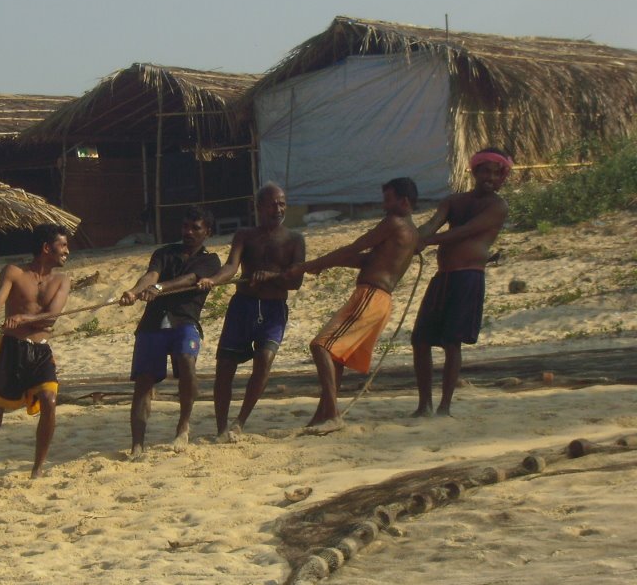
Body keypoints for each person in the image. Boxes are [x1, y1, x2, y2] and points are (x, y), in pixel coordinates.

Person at [286, 178, 420, 432]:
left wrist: (305, 266)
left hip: (371, 296)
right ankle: (322, 415)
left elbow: (355, 247)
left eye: (388, 199)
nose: (384, 205)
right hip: (378, 299)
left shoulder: (394, 223)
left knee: (321, 346)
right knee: (334, 355)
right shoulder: (412, 232)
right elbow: (367, 260)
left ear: (404, 201)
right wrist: (324, 264)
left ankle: (333, 415)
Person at [196, 183, 305, 441]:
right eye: (272, 204)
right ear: (258, 207)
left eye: (282, 203)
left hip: (273, 309)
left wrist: (271, 277)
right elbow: (232, 267)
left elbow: (295, 281)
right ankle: (221, 427)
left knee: (264, 360)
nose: (278, 209)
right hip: (242, 307)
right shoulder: (245, 235)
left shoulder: (294, 239)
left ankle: (240, 422)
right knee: (225, 366)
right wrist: (214, 279)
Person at [0, 224, 71, 485]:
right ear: (47, 248)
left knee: (49, 400)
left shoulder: (62, 280)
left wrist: (25, 318)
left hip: (41, 350)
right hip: (12, 350)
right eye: (63, 245)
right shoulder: (13, 272)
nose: (67, 251)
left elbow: (51, 318)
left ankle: (37, 470)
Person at [411, 148, 512, 417]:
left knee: (451, 342)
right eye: (485, 171)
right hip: (443, 277)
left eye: (496, 172)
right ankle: (424, 405)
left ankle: (444, 406)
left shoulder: (497, 206)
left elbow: (464, 232)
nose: (490, 177)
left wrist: (425, 241)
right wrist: (412, 238)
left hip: (468, 276)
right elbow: (432, 223)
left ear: (502, 177)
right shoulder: (453, 201)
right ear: (475, 172)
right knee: (420, 340)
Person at [119, 206, 222, 458]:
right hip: (152, 323)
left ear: (207, 232)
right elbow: (150, 275)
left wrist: (159, 287)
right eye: (185, 226)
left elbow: (189, 280)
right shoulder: (164, 253)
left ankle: (183, 425)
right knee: (143, 382)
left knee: (187, 362)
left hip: (185, 322)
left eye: (195, 228)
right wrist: (134, 291)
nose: (188, 232)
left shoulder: (211, 260)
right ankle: (137, 444)